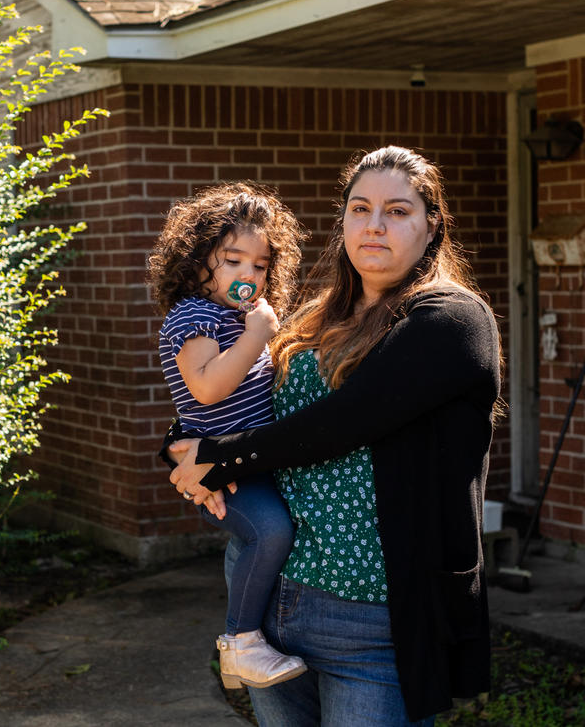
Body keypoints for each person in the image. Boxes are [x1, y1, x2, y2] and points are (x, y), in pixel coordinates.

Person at [167, 146, 502, 725]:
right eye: (360, 208)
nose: (374, 225)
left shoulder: (451, 319)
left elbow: (346, 421)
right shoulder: (317, 318)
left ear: (431, 228)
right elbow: (244, 406)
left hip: (374, 618)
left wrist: (217, 460)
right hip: (273, 599)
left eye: (397, 211)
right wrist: (184, 451)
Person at [147, 181, 309, 690]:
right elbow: (207, 388)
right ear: (197, 261)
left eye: (260, 265)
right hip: (226, 474)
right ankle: (239, 646)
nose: (248, 274)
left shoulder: (237, 318)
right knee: (271, 532)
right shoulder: (193, 316)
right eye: (233, 260)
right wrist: (257, 335)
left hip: (251, 464)